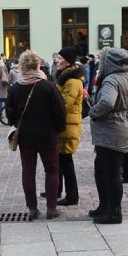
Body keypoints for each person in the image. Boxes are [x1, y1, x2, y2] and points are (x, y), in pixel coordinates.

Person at [88, 48, 128, 224]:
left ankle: (114, 212)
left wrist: (93, 112)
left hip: (111, 132)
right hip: (122, 129)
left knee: (111, 173)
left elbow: (107, 101)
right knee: (101, 170)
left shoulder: (111, 80)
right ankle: (104, 206)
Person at [6, 51, 67, 220]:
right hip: (48, 135)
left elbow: (9, 114)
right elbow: (60, 111)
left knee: (28, 171)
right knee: (52, 171)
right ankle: (51, 208)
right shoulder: (48, 87)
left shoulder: (15, 88)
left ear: (22, 67)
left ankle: (32, 208)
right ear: (38, 66)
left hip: (25, 135)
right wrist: (59, 128)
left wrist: (16, 123)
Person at [54, 46, 84, 206]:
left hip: (68, 127)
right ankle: (57, 190)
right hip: (64, 126)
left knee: (66, 163)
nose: (57, 61)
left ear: (68, 61)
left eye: (59, 58)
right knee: (60, 160)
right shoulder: (65, 77)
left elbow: (64, 104)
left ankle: (72, 196)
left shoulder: (72, 81)